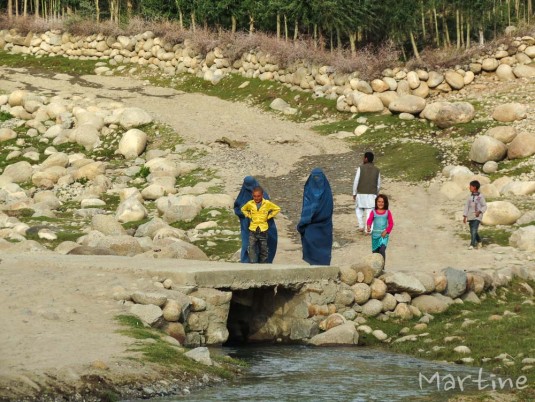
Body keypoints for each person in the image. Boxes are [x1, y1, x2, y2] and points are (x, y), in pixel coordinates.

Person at [234, 177, 278, 263]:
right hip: (248, 227)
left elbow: (272, 209)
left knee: (263, 247)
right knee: (248, 245)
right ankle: (248, 264)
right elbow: (237, 208)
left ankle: (262, 265)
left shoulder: (263, 198)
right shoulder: (244, 195)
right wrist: (247, 215)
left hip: (263, 227)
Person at [296, 168, 333, 265]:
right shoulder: (327, 192)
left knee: (316, 254)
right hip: (323, 228)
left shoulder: (311, 192)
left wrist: (302, 224)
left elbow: (308, 211)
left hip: (316, 227)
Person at [352, 151, 381, 234]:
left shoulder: (360, 168)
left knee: (358, 209)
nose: (363, 159)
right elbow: (378, 184)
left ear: (366, 159)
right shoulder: (377, 170)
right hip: (372, 194)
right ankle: (368, 229)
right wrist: (376, 193)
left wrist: (354, 193)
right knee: (370, 211)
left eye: (363, 157)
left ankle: (361, 226)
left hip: (360, 193)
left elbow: (356, 181)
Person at [366, 194, 394, 265]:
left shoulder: (388, 212)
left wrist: (386, 231)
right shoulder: (373, 212)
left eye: (382, 202)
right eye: (379, 201)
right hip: (375, 235)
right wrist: (368, 226)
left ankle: (382, 267)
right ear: (376, 202)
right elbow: (369, 220)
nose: (380, 203)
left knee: (382, 250)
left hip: (384, 235)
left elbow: (391, 224)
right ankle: (375, 268)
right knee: (375, 253)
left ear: (385, 203)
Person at [463, 180, 487, 250]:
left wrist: (479, 212)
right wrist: (465, 216)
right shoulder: (469, 197)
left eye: (470, 186)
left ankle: (472, 244)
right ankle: (479, 241)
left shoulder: (480, 196)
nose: (469, 187)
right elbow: (466, 206)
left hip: (477, 216)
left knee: (474, 229)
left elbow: (484, 206)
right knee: (472, 231)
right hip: (470, 216)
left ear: (475, 187)